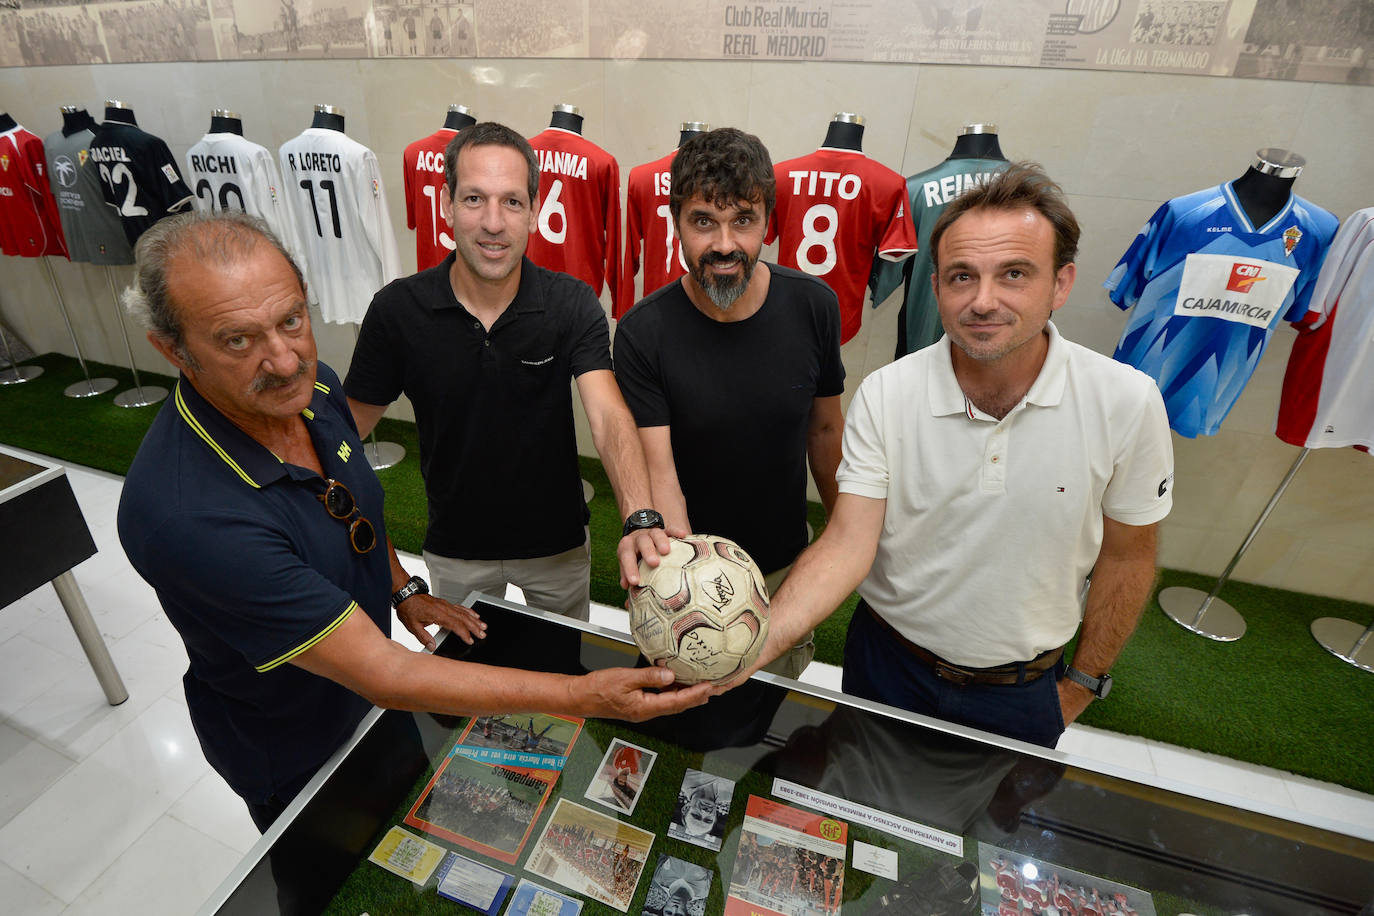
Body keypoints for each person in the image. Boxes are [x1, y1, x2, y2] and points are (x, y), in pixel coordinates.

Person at [116, 210, 711, 828]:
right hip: (293, 746)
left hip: (372, 713)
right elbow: (387, 674)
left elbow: (346, 506)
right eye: (237, 340)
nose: (285, 360)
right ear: (173, 350)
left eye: (292, 320)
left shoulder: (315, 392)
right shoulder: (186, 517)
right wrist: (585, 697)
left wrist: (401, 588)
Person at [730, 163, 1174, 748]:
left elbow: (1127, 557)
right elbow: (846, 542)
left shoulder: (1127, 401)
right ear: (935, 286)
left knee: (980, 827)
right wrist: (755, 650)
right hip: (886, 665)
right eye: (962, 277)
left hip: (1024, 686)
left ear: (1061, 284)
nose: (983, 301)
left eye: (1013, 274)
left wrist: (1083, 684)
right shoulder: (889, 394)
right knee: (859, 802)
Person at [345, 121, 669, 622]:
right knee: (467, 686)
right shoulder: (396, 312)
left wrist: (639, 516)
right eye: (474, 199)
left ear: (534, 212)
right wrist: (399, 585)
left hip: (556, 547)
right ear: (447, 204)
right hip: (454, 549)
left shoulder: (572, 303)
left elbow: (608, 418)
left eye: (512, 202)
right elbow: (342, 446)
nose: (493, 223)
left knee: (563, 675)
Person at [614, 127, 844, 678]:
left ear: (767, 221)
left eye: (743, 219)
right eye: (703, 221)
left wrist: (842, 537)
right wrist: (692, 589)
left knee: (771, 715)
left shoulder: (814, 306)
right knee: (689, 710)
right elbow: (659, 468)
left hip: (786, 564)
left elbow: (826, 433)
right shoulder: (644, 332)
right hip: (687, 568)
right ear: (676, 225)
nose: (723, 244)